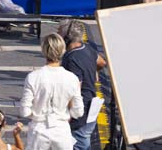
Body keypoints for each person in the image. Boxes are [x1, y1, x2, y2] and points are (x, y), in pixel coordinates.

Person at [18, 34, 84, 150]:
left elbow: (24, 111)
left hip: (39, 130)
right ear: (63, 50)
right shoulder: (72, 78)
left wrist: (37, 115)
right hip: (61, 129)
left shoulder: (33, 77)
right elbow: (78, 112)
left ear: (44, 50)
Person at [57, 20, 106, 150]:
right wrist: (94, 72)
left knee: (79, 143)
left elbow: (75, 90)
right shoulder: (87, 48)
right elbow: (101, 62)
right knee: (84, 140)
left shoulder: (72, 58)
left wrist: (68, 116)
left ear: (68, 36)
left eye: (59, 32)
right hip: (91, 106)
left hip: (80, 113)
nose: (58, 35)